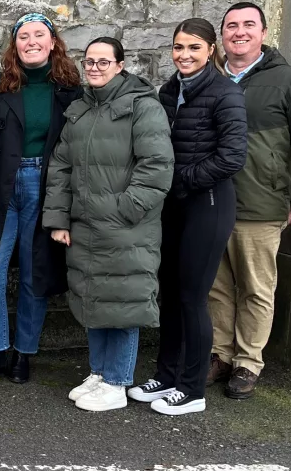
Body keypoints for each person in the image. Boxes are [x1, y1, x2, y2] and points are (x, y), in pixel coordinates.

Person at [44, 37, 174, 411]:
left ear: (120, 65)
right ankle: (99, 372)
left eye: (104, 62)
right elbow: (60, 167)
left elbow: (157, 169)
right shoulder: (81, 109)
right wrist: (58, 218)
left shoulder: (143, 108)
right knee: (94, 300)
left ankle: (117, 382)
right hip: (85, 226)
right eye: (90, 62)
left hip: (125, 227)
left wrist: (123, 210)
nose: (95, 68)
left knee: (123, 304)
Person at [127, 18, 247, 415]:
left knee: (193, 298)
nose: (185, 55)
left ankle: (192, 389)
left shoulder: (225, 93)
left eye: (194, 47)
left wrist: (182, 179)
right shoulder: (169, 89)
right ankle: (167, 375)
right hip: (174, 204)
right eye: (179, 47)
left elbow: (232, 156)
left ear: (211, 50)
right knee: (170, 294)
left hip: (208, 204)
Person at [207, 2, 291, 399]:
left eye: (248, 25)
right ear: (222, 35)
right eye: (231, 26)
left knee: (256, 287)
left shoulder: (287, 80)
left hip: (260, 202)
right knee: (217, 286)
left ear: (262, 31)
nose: (238, 32)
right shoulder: (210, 77)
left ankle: (248, 361)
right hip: (211, 202)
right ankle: (220, 353)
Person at [0, 13, 82, 385]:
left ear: (53, 43)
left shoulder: (69, 90)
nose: (31, 41)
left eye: (39, 35)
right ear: (14, 44)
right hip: (0, 189)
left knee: (36, 273)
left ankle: (24, 354)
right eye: (23, 36)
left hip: (45, 187)